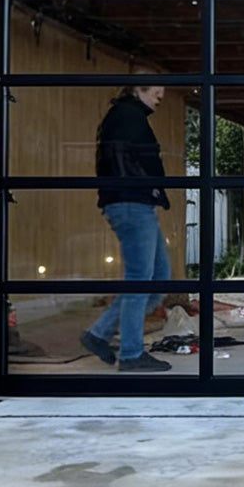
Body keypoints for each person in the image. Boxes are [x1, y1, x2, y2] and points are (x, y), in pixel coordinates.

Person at [81, 85, 175, 372]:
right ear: (137, 90)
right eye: (155, 91)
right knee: (140, 280)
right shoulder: (127, 117)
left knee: (158, 278)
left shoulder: (125, 117)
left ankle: (99, 334)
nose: (160, 97)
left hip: (136, 202)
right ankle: (132, 354)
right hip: (131, 203)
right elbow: (143, 159)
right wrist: (155, 188)